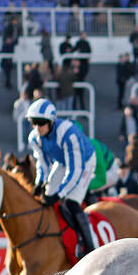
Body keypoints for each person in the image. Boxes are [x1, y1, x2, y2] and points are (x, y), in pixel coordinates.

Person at [26, 99, 97, 257]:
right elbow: (42, 163)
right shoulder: (34, 138)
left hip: (85, 162)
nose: (37, 127)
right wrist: (40, 181)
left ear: (51, 122)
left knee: (71, 201)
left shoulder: (68, 134)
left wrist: (60, 194)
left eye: (41, 122)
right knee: (47, 196)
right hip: (63, 161)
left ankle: (88, 244)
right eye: (33, 123)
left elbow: (75, 170)